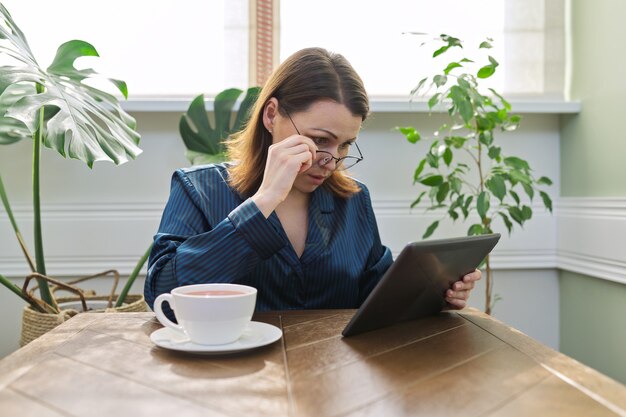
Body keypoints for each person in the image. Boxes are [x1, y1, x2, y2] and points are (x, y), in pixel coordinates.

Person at [144, 47, 481, 314]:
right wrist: (264, 202)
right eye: (320, 140)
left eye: (345, 144)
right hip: (232, 380)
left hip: (334, 385)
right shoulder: (199, 190)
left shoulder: (353, 200)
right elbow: (163, 293)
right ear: (272, 114)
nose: (331, 161)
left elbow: (377, 298)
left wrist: (436, 296)